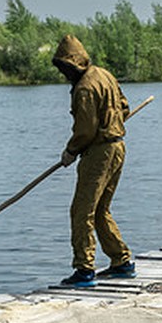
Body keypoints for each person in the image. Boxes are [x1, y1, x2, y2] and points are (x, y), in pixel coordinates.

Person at [51, 34, 135, 288]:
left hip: (99, 153)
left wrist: (70, 151)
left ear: (73, 64)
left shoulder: (85, 88)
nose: (64, 73)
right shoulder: (104, 74)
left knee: (81, 211)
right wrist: (113, 123)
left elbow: (85, 130)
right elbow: (125, 107)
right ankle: (121, 262)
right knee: (100, 210)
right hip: (118, 147)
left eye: (65, 68)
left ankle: (84, 269)